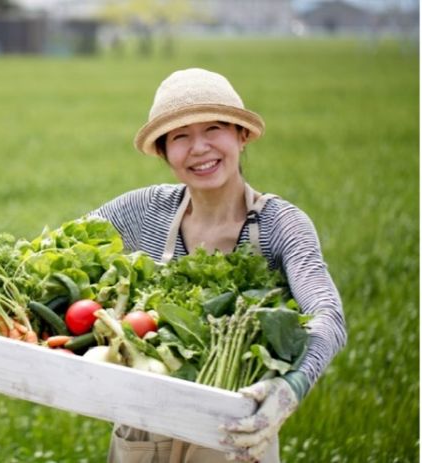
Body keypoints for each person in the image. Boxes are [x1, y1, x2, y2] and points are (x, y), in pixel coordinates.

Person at [87, 68, 347, 463]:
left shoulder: (281, 225)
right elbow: (64, 247)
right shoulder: (145, 209)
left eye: (214, 129)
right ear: (163, 152)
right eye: (180, 136)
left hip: (234, 433)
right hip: (143, 428)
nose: (199, 148)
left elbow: (328, 316)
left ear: (241, 137)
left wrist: (291, 387)